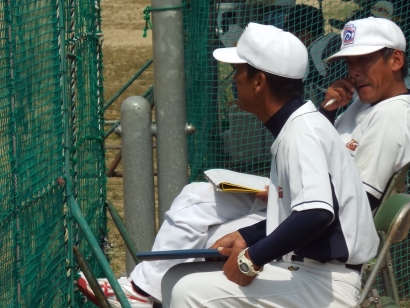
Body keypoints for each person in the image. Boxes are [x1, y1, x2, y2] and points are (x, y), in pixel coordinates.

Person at [161, 23, 379, 308]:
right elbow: (297, 215)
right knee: (175, 277)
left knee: (187, 291)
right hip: (309, 273)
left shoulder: (302, 131)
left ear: (259, 82)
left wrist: (251, 259)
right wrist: (246, 236)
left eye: (238, 71)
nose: (233, 79)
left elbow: (317, 213)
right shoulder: (298, 125)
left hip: (326, 284)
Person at [319, 17, 410, 210]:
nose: (354, 72)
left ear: (396, 60)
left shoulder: (391, 116)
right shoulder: (364, 103)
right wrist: (327, 111)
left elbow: (358, 201)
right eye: (350, 63)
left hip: (336, 224)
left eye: (363, 59)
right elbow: (317, 151)